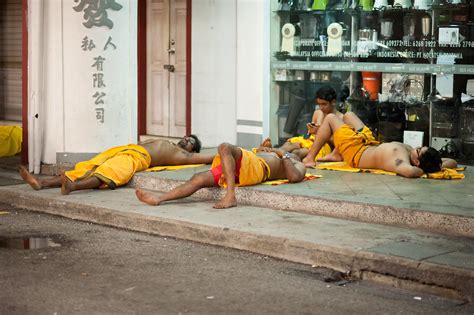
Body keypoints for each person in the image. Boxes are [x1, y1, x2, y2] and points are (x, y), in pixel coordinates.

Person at [19, 135, 215, 195]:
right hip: (124, 150)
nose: (185, 139)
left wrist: (235, 153)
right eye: (186, 137)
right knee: (85, 166)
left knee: (109, 172)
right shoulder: (173, 145)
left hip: (136, 158)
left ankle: (73, 186)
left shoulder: (184, 156)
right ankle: (41, 184)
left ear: (193, 150)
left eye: (190, 141)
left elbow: (208, 158)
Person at [136, 143, 306, 209]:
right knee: (198, 179)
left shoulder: (297, 162)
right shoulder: (276, 152)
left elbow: (294, 177)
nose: (292, 149)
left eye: (295, 150)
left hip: (256, 169)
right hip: (244, 164)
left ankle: (230, 196)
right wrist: (266, 148)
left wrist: (284, 155)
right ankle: (159, 199)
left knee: (224, 147)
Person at [302, 112, 457, 177]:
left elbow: (410, 172)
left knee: (329, 118)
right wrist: (437, 167)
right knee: (349, 115)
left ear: (417, 162)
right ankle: (337, 153)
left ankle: (309, 158)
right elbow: (452, 162)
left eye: (418, 150)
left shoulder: (401, 160)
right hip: (367, 143)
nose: (416, 148)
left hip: (356, 152)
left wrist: (422, 171)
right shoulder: (414, 156)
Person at [259, 86, 344, 160]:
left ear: (333, 102)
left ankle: (274, 155)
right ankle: (270, 153)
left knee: (297, 152)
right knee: (288, 145)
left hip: (322, 146)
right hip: (309, 140)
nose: (321, 107)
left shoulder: (339, 118)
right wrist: (310, 130)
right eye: (319, 104)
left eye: (324, 104)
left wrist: (319, 132)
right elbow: (310, 133)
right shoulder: (318, 113)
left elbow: (339, 143)